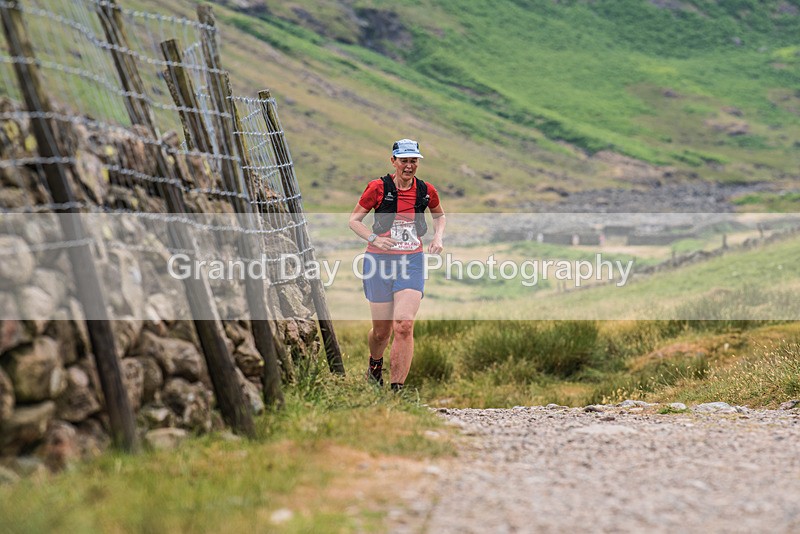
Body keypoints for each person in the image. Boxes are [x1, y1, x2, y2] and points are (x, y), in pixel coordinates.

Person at [348, 138, 446, 391]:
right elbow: (354, 221)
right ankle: (375, 364)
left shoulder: (426, 190)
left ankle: (397, 389)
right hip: (378, 262)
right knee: (381, 333)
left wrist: (437, 237)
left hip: (411, 261)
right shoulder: (378, 187)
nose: (409, 166)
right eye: (404, 160)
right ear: (394, 161)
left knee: (403, 324)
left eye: (413, 160)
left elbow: (439, 215)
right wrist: (374, 239)